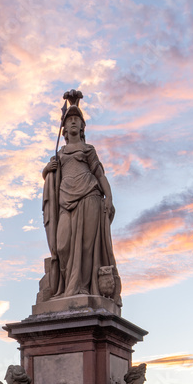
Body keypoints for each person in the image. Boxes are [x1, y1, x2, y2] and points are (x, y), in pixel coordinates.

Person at [42, 106, 120, 301]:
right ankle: (67, 286)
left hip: (89, 197)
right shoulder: (59, 154)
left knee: (86, 247)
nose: (73, 121)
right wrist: (46, 170)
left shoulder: (88, 149)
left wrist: (108, 197)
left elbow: (100, 175)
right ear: (64, 129)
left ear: (83, 127)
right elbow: (50, 180)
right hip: (65, 202)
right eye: (69, 119)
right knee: (62, 246)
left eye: (77, 118)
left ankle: (82, 287)